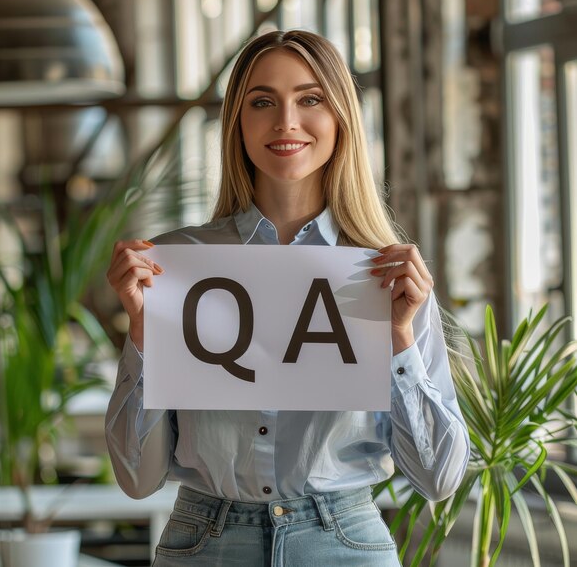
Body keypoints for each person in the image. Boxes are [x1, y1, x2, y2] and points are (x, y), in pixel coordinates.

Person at [105, 29, 470, 567]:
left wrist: (397, 341)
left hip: (343, 542)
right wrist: (143, 333)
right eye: (262, 102)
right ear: (237, 122)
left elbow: (438, 479)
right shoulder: (175, 264)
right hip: (205, 543)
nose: (286, 122)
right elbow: (137, 480)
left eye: (311, 99)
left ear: (341, 115)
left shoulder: (384, 274)